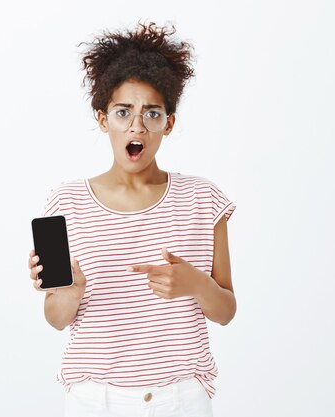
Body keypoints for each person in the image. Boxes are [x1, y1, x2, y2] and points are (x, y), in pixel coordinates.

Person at [28, 21, 237, 417]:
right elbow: (57, 319)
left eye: (152, 114)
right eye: (123, 112)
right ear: (104, 119)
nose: (137, 125)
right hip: (94, 402)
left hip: (183, 401)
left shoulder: (203, 200)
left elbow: (226, 311)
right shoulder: (65, 202)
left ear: (168, 124)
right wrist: (70, 293)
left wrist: (195, 284)